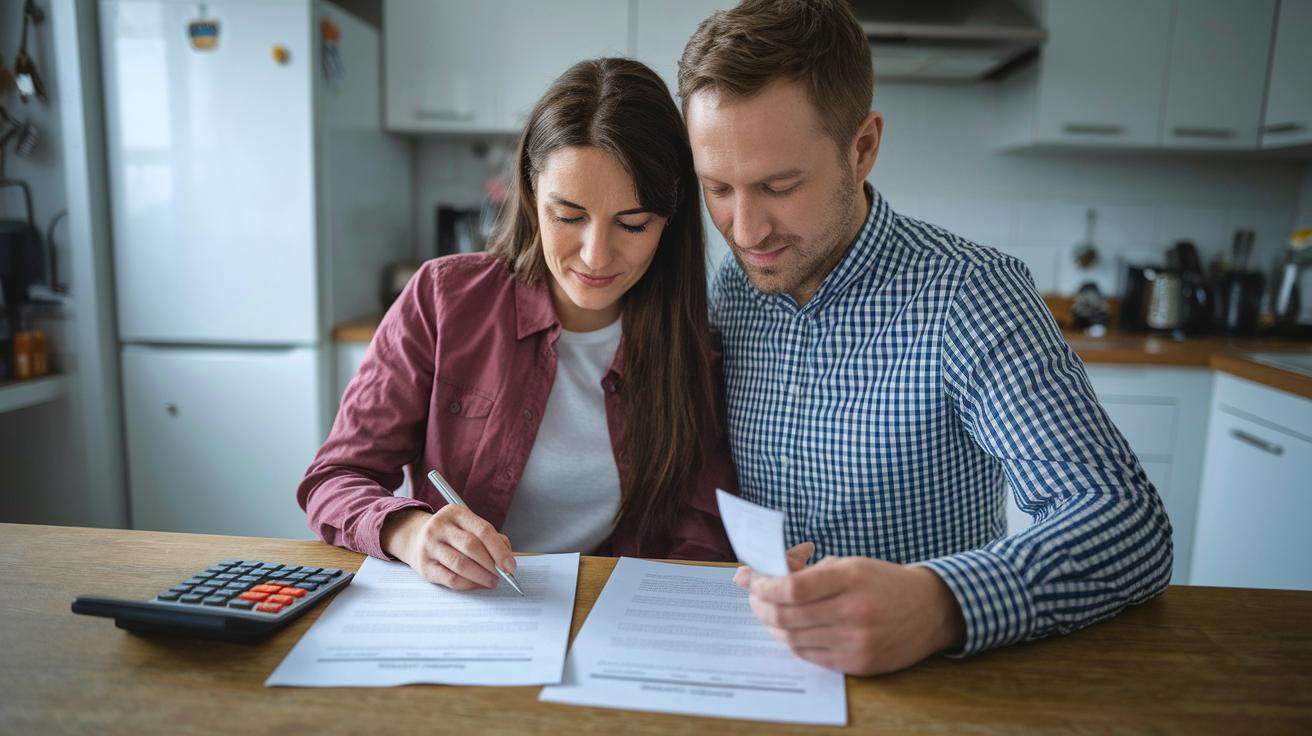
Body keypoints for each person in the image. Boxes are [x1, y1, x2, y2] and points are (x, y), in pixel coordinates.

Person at [678, 0, 1173, 675]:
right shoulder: (737, 286)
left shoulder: (971, 295)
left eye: (779, 185)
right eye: (718, 188)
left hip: (934, 681)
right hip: (762, 667)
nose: (745, 230)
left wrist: (941, 603)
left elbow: (1126, 524)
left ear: (863, 148)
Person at [298, 58, 736, 590]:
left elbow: (699, 530)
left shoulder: (693, 342)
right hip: (467, 610)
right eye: (569, 216)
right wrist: (412, 533)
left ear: (669, 220)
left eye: (633, 223)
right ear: (531, 197)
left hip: (612, 617)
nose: (596, 256)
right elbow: (335, 478)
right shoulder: (444, 299)